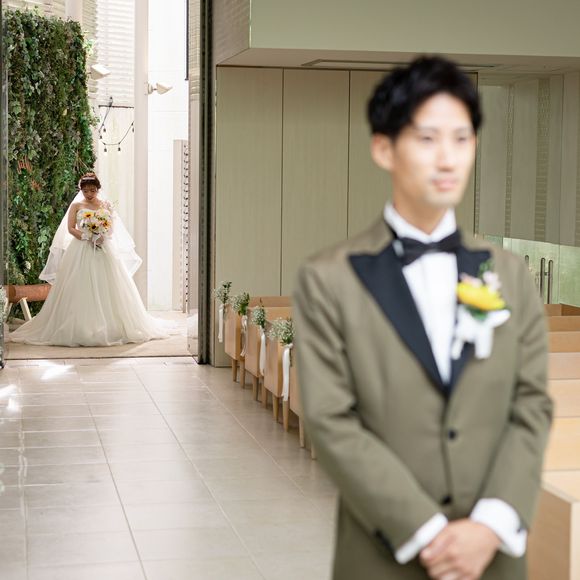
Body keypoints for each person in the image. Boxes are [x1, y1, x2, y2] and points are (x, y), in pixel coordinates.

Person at [293, 57, 553, 580]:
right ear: (384, 148)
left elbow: (531, 405)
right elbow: (330, 420)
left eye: (462, 138)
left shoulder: (509, 274)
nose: (448, 158)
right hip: (385, 555)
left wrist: (489, 526)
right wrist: (429, 534)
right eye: (428, 139)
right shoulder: (329, 279)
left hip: (493, 558)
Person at [10, 172, 168, 346]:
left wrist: (102, 235)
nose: (89, 194)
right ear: (81, 190)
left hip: (103, 247)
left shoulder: (105, 205)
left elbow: (111, 228)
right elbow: (71, 228)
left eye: (92, 190)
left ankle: (112, 326)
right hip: (81, 248)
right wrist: (88, 236)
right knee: (80, 285)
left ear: (98, 189)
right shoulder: (76, 205)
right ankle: (79, 326)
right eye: (85, 191)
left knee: (108, 285)